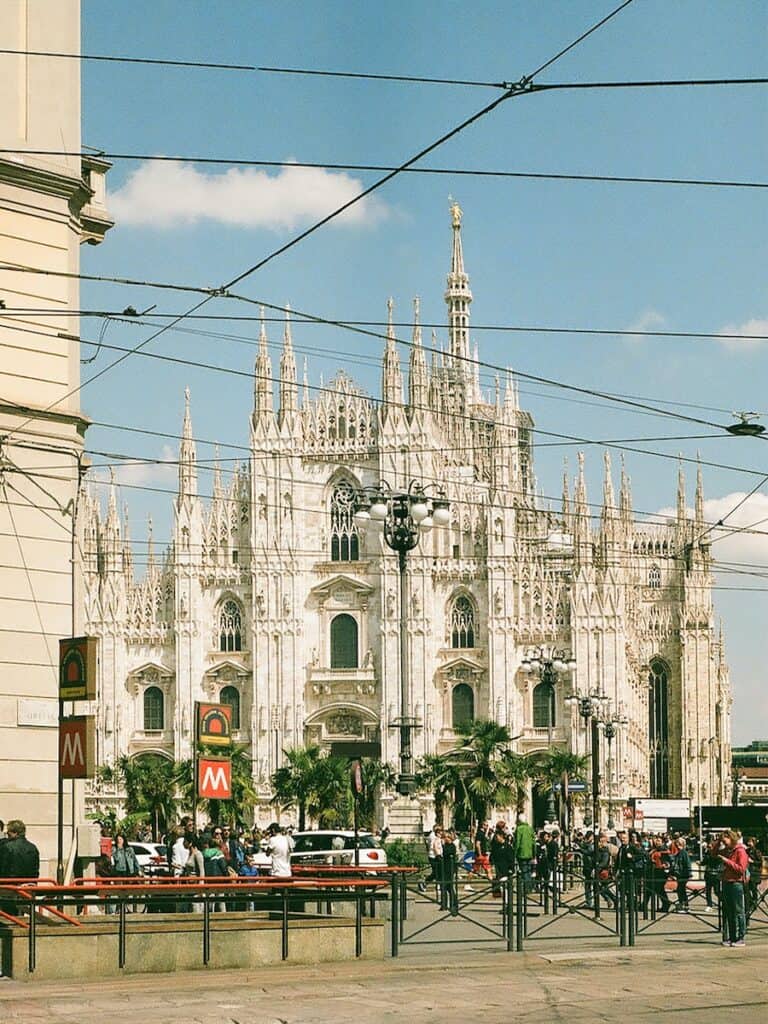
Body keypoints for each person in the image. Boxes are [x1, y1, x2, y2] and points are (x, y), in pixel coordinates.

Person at [0, 820, 40, 917]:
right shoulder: (33, 847)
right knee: (20, 912)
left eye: (8, 833)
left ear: (14, 833)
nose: (7, 835)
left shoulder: (6, 847)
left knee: (8, 914)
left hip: (9, 887)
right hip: (28, 887)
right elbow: (36, 869)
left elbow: (3, 869)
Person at [719, 829, 749, 947]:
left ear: (731, 838)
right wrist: (717, 842)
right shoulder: (728, 851)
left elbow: (741, 868)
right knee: (729, 911)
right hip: (727, 882)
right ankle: (732, 937)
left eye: (724, 840)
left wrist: (727, 861)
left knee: (738, 910)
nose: (723, 842)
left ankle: (740, 937)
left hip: (736, 883)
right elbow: (713, 852)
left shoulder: (740, 851)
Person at [513, 815, 535, 894]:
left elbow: (517, 843)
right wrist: (534, 854)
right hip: (529, 853)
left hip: (521, 854)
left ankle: (526, 889)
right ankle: (529, 887)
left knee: (524, 871)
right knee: (528, 871)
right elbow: (534, 843)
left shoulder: (519, 829)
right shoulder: (530, 829)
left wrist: (514, 853)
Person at [670, 836, 692, 912]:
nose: (677, 845)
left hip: (683, 874)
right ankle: (684, 905)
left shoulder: (684, 853)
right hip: (680, 874)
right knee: (681, 889)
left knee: (681, 889)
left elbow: (687, 863)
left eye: (678, 844)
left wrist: (689, 873)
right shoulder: (679, 853)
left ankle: (684, 905)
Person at [703, 834, 723, 912]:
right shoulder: (708, 852)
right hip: (708, 873)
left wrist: (711, 854)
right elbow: (705, 861)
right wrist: (702, 862)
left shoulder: (717, 853)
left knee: (717, 891)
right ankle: (709, 904)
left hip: (715, 873)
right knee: (708, 890)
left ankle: (723, 902)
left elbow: (718, 861)